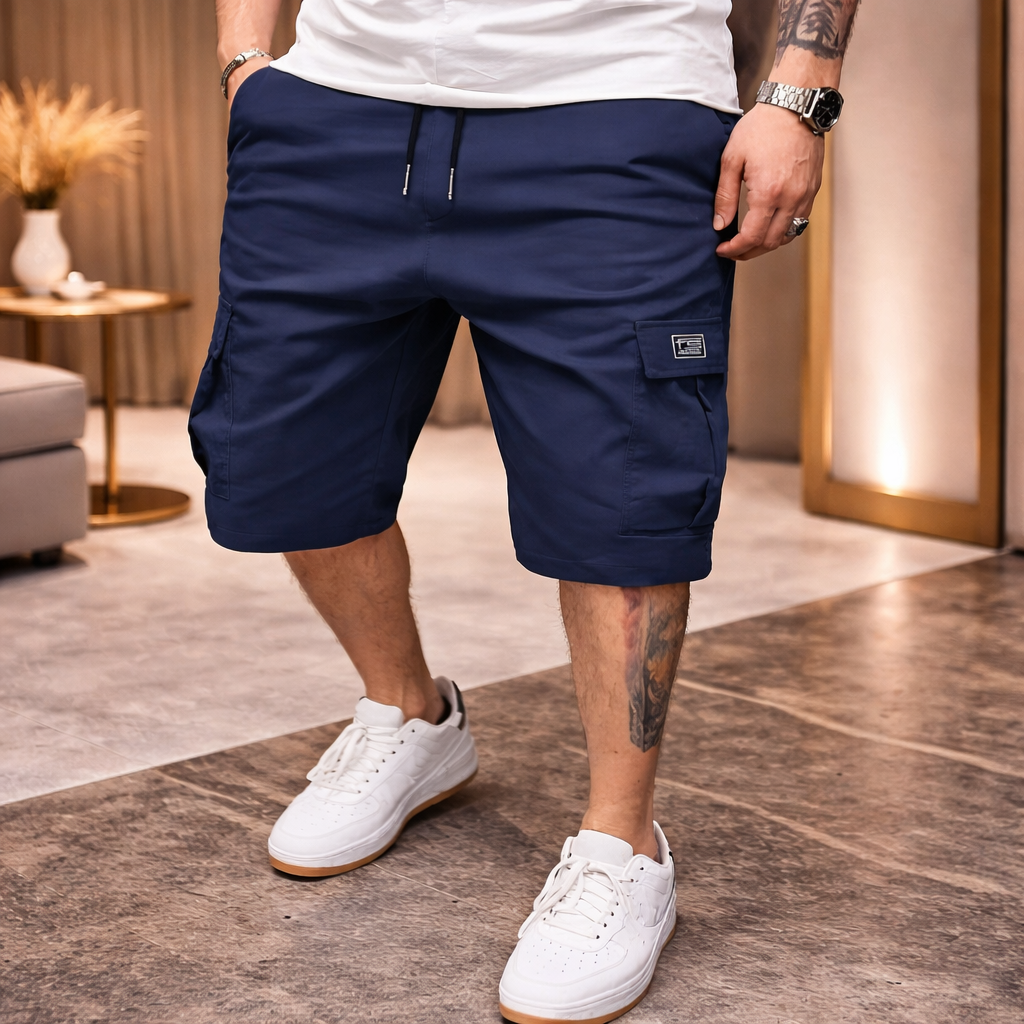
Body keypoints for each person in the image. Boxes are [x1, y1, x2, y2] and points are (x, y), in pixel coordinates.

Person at [192, 1, 859, 1020]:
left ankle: (621, 845)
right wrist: (245, 60)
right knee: (284, 466)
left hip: (613, 111)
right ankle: (409, 713)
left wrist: (798, 95)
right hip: (334, 108)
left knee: (621, 501)